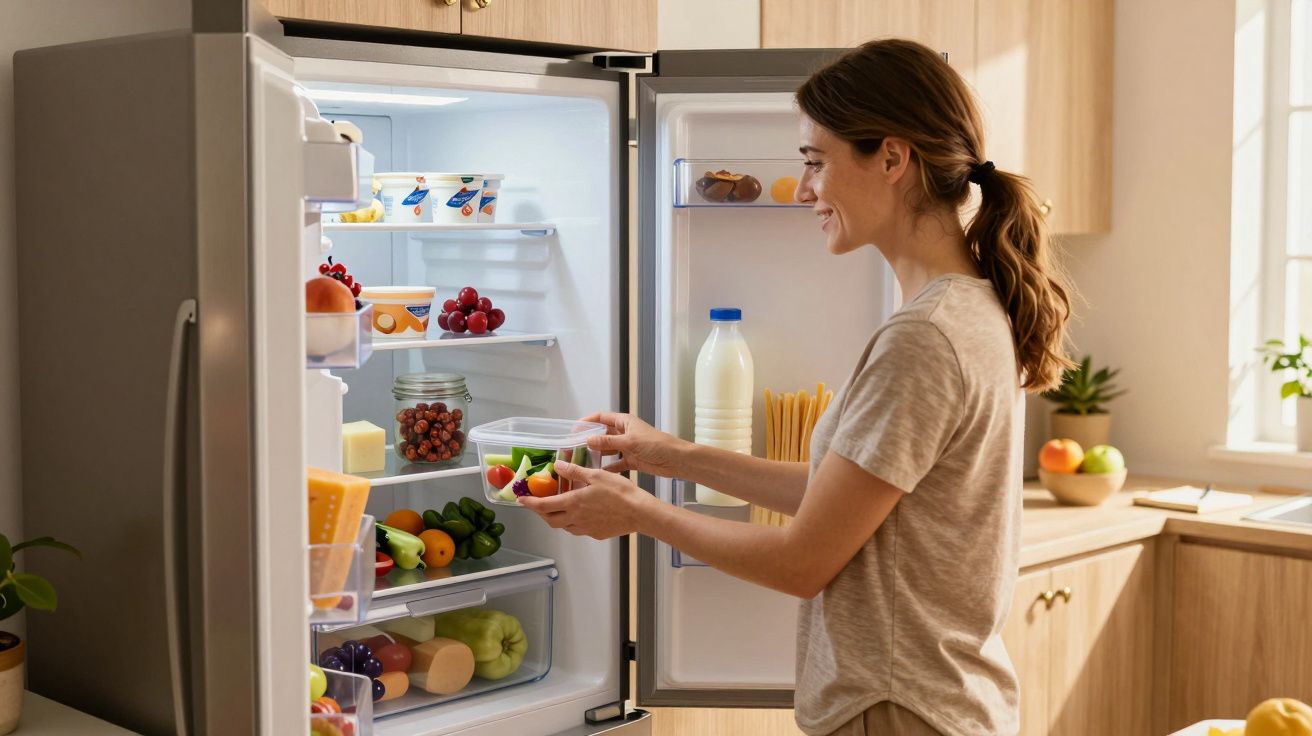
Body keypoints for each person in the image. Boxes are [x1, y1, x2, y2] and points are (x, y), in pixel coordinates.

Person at [519, 38, 1073, 736]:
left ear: (893, 159)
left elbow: (803, 560)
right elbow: (836, 498)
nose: (806, 189)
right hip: (931, 700)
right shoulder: (966, 309)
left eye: (816, 162)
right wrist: (668, 456)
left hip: (899, 709)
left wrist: (639, 513)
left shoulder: (925, 338)